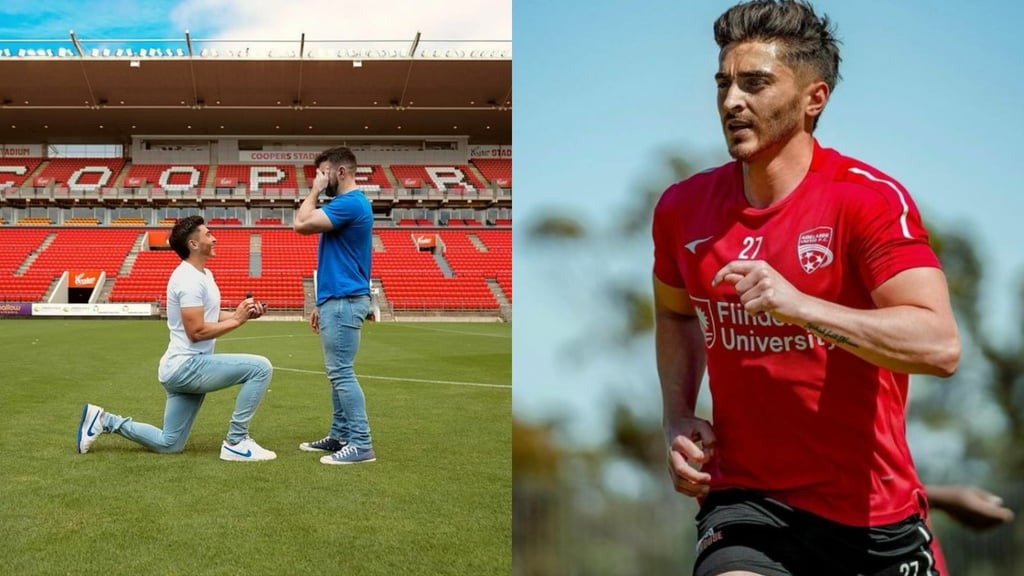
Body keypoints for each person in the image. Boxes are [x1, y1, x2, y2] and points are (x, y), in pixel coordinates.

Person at [651, 1, 961, 575]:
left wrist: (800, 306)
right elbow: (675, 314)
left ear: (814, 98)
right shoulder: (682, 209)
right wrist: (676, 414)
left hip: (873, 517)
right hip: (747, 503)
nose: (731, 101)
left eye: (754, 83)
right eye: (723, 83)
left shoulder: (866, 200)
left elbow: (939, 345)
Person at [76, 215, 276, 462]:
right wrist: (237, 320)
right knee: (260, 368)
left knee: (169, 444)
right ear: (193, 244)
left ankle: (104, 420)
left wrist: (242, 314)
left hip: (181, 368)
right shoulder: (188, 279)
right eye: (208, 234)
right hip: (187, 366)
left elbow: (210, 316)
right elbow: (197, 332)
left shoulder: (204, 275)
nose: (214, 238)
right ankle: (236, 442)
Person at [293, 146, 376, 465]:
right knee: (337, 371)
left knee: (341, 372)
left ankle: (361, 443)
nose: (319, 178)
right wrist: (321, 302)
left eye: (323, 172)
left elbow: (300, 223)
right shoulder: (348, 204)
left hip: (344, 299)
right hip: (336, 298)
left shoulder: (350, 203)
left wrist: (314, 191)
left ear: (340, 172)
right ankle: (340, 434)